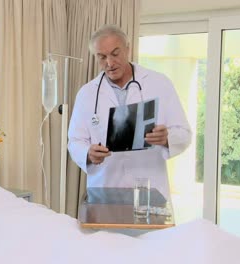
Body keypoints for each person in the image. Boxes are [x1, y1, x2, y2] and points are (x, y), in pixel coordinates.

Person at [68, 25, 192, 199]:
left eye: (115, 54)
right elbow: (75, 141)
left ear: (128, 49)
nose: (109, 63)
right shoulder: (87, 93)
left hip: (149, 191)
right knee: (104, 227)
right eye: (102, 57)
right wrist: (87, 154)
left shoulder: (159, 84)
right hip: (105, 189)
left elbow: (184, 133)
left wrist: (166, 138)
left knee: (148, 226)